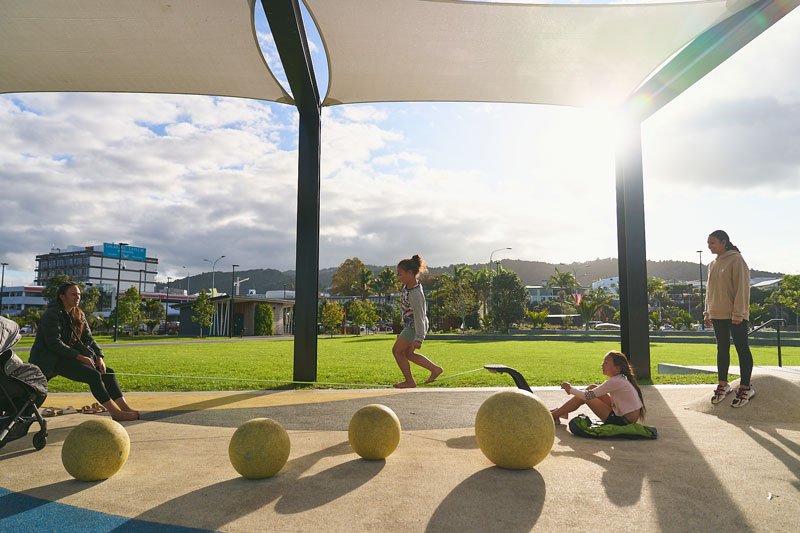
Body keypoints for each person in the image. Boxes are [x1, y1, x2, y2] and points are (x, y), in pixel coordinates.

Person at [29, 281, 139, 421]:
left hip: (67, 356)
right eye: (73, 294)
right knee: (93, 375)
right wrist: (80, 357)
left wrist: (99, 356)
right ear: (62, 296)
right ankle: (114, 413)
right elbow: (54, 344)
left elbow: (89, 339)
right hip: (49, 359)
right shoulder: (52, 314)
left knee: (107, 372)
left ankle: (125, 409)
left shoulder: (79, 314)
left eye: (79, 294)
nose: (77, 297)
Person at [704, 230, 755, 408]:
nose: (709, 246)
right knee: (722, 349)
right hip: (717, 314)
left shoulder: (736, 260)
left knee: (742, 348)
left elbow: (742, 287)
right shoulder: (712, 264)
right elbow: (709, 291)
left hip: (735, 315)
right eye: (708, 243)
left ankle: (746, 387)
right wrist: (707, 312)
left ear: (724, 242)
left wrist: (739, 313)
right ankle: (723, 384)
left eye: (713, 243)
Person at [550, 351, 645, 426]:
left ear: (617, 368)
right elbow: (592, 392)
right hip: (622, 415)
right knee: (592, 387)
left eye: (606, 362)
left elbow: (587, 396)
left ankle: (553, 415)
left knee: (585, 396)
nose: (602, 365)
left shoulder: (616, 381)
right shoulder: (620, 378)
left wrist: (570, 389)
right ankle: (561, 412)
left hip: (621, 421)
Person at [391, 254, 443, 388]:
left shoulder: (415, 293)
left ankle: (409, 381)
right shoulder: (408, 287)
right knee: (408, 354)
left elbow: (420, 316)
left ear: (410, 273)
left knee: (397, 351)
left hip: (415, 326)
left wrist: (419, 338)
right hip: (410, 325)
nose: (398, 277)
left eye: (400, 274)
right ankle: (435, 369)